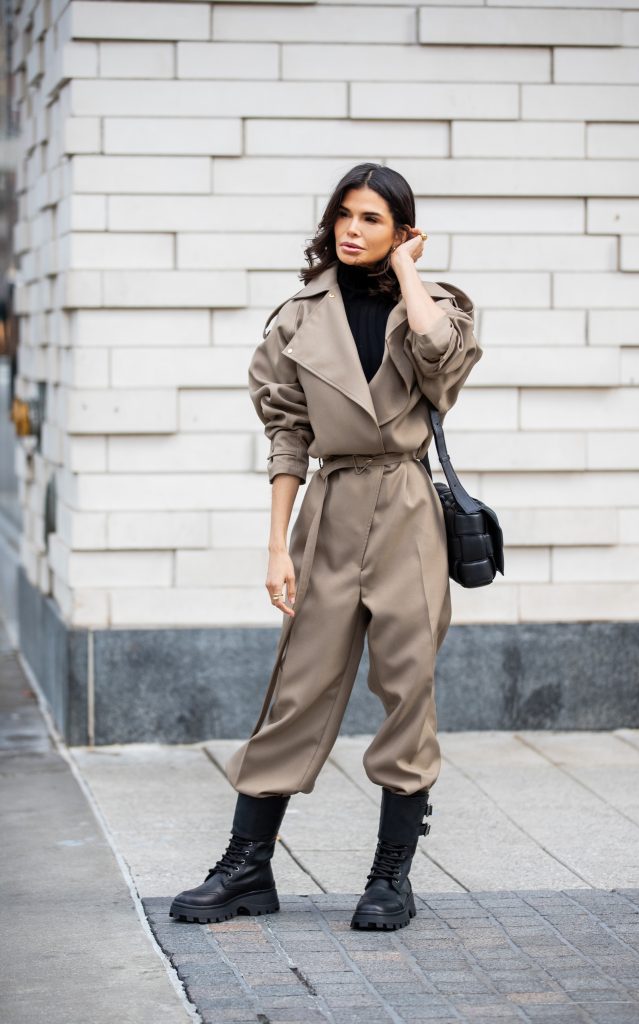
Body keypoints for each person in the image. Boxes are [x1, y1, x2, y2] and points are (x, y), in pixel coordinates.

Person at [170, 163, 483, 931]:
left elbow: (442, 363)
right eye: (344, 214)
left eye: (373, 218)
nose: (351, 229)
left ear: (402, 230)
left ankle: (390, 879)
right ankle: (246, 869)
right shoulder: (297, 316)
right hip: (331, 507)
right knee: (297, 687)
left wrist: (407, 268)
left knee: (408, 690)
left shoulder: (436, 305)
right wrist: (276, 547)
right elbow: (287, 435)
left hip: (407, 508)